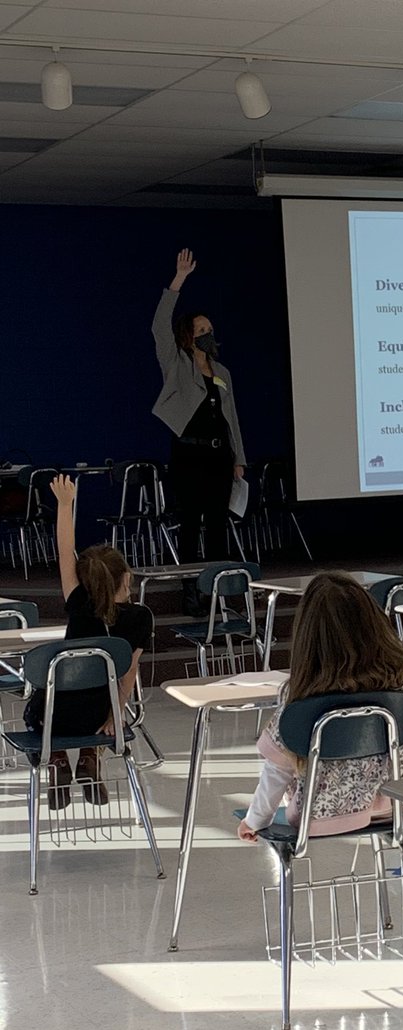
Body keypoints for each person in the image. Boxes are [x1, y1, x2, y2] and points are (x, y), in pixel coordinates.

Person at [237, 572, 403, 841]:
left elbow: (278, 770)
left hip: (319, 813)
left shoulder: (302, 690)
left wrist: (255, 820)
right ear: (373, 616)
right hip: (401, 802)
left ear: (308, 634)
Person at [23, 476, 152, 809]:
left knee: (36, 711)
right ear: (126, 578)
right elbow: (128, 674)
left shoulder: (79, 601)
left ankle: (58, 760)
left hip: (55, 715)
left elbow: (65, 550)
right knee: (98, 696)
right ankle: (91, 754)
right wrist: (113, 716)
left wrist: (65, 504)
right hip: (99, 715)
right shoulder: (141, 617)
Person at [152, 248, 247, 614]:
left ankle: (219, 593)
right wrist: (179, 280)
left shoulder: (222, 372)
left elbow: (232, 418)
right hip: (189, 456)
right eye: (202, 330)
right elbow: (159, 326)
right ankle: (192, 593)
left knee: (219, 527)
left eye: (210, 329)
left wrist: (238, 459)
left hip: (219, 456)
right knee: (191, 527)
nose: (209, 333)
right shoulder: (176, 365)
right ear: (189, 336)